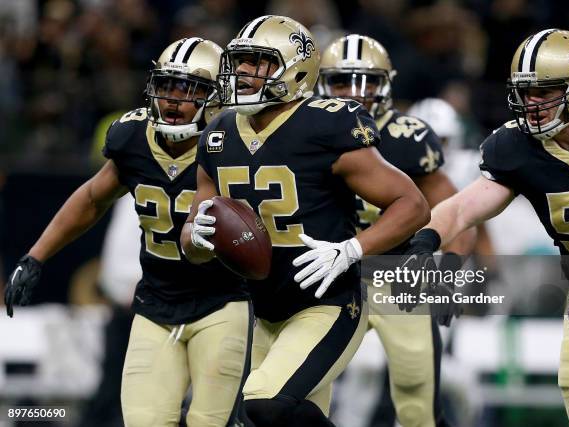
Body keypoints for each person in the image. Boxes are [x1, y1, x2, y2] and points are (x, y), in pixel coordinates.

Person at [180, 16, 431, 427]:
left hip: (328, 303)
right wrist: (196, 236)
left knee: (265, 403)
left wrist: (353, 249)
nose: (241, 72)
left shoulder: (326, 124)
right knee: (268, 418)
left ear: (295, 69)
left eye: (257, 62)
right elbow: (193, 242)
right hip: (263, 308)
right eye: (239, 61)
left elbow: (413, 204)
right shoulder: (219, 132)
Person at [4, 37, 253, 427]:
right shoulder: (133, 136)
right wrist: (36, 255)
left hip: (223, 303)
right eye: (167, 85)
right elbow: (91, 199)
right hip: (155, 304)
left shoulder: (238, 143)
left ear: (217, 96)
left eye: (188, 89)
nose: (173, 99)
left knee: (211, 422)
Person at [403, 29, 569, 426]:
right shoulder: (516, 149)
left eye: (544, 91)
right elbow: (463, 209)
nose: (531, 104)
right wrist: (423, 243)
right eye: (525, 92)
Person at [318, 34, 473, 427]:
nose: (355, 93)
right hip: (325, 276)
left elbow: (456, 212)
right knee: (302, 394)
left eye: (367, 81)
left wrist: (450, 272)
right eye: (342, 81)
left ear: (386, 84)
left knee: (417, 402)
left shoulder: (408, 134)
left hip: (398, 274)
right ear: (320, 83)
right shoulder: (302, 132)